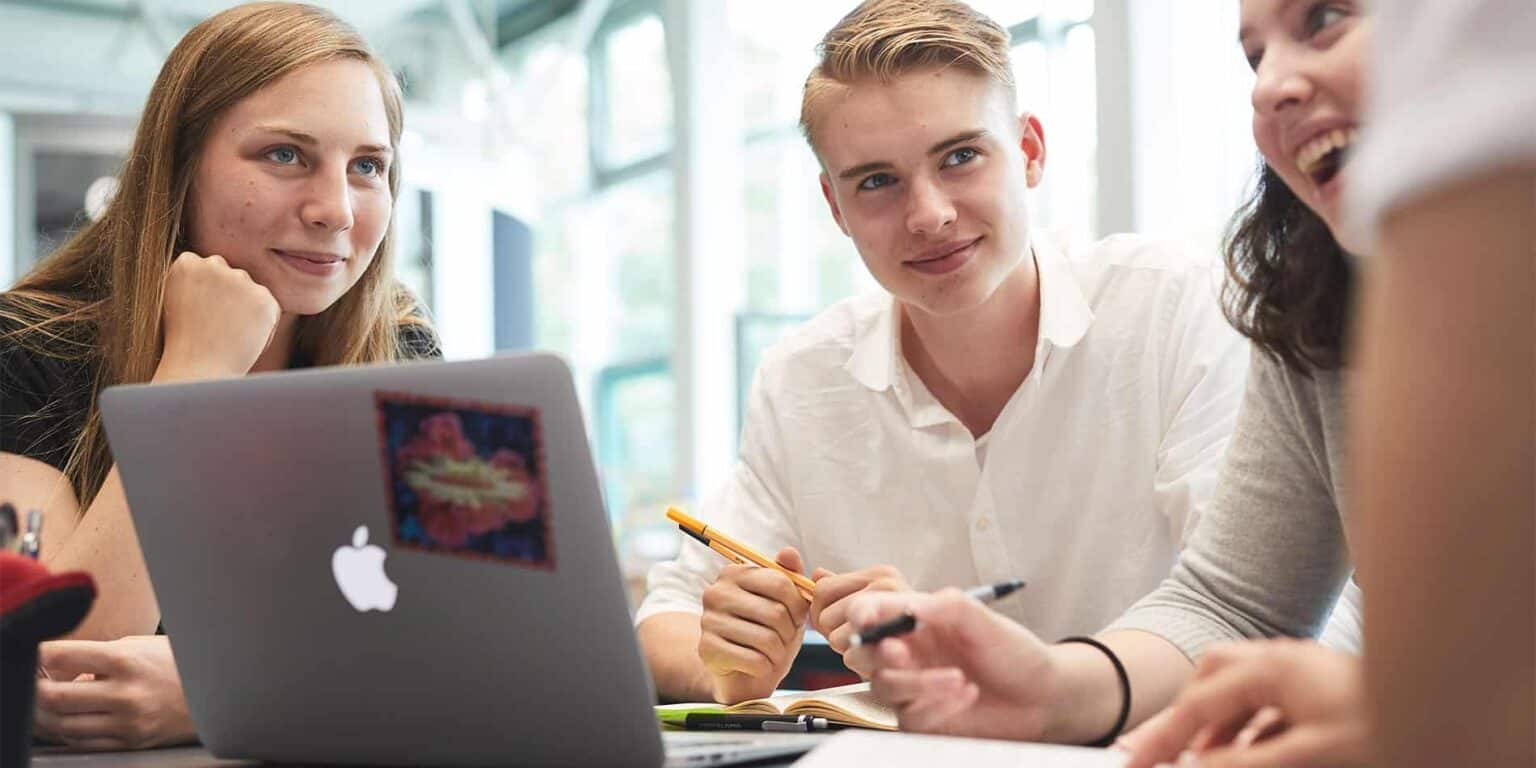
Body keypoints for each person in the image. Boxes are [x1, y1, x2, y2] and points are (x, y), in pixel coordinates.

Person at [637, 0, 1249, 705]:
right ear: (835, 208)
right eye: (876, 181)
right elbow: (665, 618)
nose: (928, 214)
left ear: (1029, 153)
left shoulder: (1175, 309)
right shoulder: (803, 380)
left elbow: (1256, 606)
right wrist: (723, 664)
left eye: (960, 157)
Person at [846, 0, 1389, 757]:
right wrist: (1052, 691)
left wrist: (1417, 717)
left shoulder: (1171, 299)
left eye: (1324, 19)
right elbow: (1235, 602)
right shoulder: (1314, 317)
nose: (1269, 89)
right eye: (1255, 58)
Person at [0, 2, 439, 750]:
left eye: (367, 166)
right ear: (179, 167)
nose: (335, 210)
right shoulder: (28, 346)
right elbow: (63, 665)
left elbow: (457, 646)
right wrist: (195, 369)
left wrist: (219, 690)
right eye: (285, 155)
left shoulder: (399, 352)